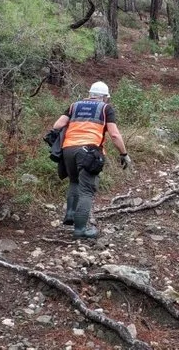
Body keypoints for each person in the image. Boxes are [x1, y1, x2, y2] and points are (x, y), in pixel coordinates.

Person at [51, 81, 131, 239]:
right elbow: (114, 135)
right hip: (89, 152)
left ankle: (71, 214)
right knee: (86, 191)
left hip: (67, 150)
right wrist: (124, 154)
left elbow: (57, 125)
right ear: (104, 97)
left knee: (74, 182)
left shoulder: (74, 106)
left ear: (90, 94)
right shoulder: (105, 108)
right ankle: (80, 230)